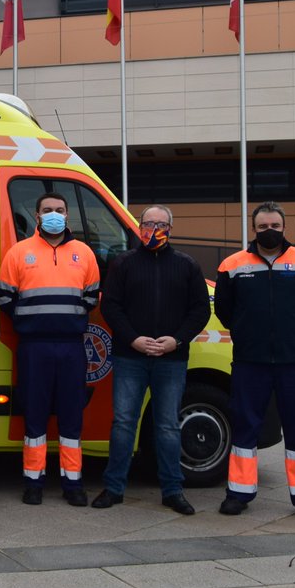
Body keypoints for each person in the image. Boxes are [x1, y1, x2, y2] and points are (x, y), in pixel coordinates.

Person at [215, 201, 295, 521]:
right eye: (263, 227)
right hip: (249, 361)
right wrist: (245, 332)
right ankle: (239, 493)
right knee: (245, 428)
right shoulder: (232, 264)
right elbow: (225, 311)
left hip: (293, 362)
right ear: (253, 230)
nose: (269, 232)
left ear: (285, 228)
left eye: (275, 227)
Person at [92, 205, 210, 515]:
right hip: (130, 355)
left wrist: (176, 340)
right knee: (123, 424)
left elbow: (200, 310)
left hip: (171, 359)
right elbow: (111, 307)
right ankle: (114, 488)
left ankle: (173, 491)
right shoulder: (123, 264)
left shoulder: (187, 265)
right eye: (147, 223)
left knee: (169, 427)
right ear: (139, 226)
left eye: (160, 223)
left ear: (171, 227)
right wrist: (133, 338)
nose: (153, 228)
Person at [0, 193, 99, 507]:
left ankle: (73, 482)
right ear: (37, 216)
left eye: (59, 210)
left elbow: (92, 296)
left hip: (71, 346)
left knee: (71, 417)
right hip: (33, 346)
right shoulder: (19, 252)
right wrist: (31, 321)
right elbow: (3, 297)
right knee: (35, 415)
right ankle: (33, 480)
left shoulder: (84, 253)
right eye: (46, 210)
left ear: (67, 216)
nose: (53, 214)